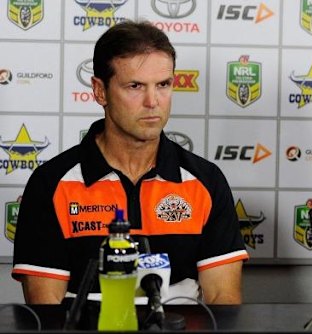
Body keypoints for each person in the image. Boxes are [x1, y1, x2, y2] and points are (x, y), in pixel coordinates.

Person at [12, 20, 249, 305]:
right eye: (135, 86)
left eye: (163, 84)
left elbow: (223, 300)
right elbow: (46, 313)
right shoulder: (51, 183)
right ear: (100, 91)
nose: (153, 101)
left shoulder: (205, 180)